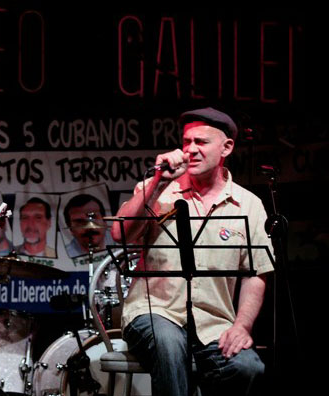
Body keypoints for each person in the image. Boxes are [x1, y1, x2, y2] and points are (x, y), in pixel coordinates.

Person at [111, 107, 274, 396]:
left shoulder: (248, 205)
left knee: (248, 367)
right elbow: (119, 233)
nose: (191, 150)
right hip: (154, 314)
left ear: (227, 147)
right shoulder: (160, 189)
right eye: (187, 142)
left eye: (201, 142)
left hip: (213, 325)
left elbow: (256, 274)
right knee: (169, 344)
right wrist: (159, 181)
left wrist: (241, 326)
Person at [63, 193, 114, 258]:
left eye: (93, 217)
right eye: (79, 221)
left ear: (105, 221)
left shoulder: (123, 245)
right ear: (70, 229)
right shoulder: (65, 256)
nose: (89, 226)